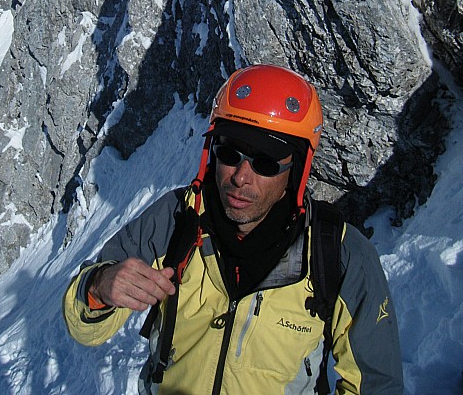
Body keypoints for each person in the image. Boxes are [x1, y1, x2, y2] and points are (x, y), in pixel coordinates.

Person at [64, 64, 403, 394]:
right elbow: (84, 323)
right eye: (229, 153)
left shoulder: (337, 253)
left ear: (294, 172)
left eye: (265, 163)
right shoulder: (175, 219)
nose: (240, 177)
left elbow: (377, 383)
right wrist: (99, 286)